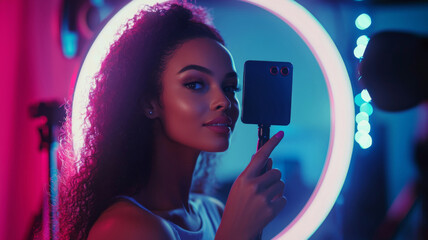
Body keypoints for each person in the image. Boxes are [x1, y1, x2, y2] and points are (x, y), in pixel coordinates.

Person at [58, 1, 286, 240]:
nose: (224, 101)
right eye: (195, 84)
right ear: (150, 103)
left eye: (230, 87)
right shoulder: (124, 228)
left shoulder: (215, 213)